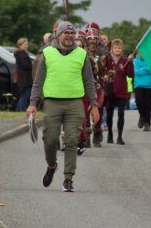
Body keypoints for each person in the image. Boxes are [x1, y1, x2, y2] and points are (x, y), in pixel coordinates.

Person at [27, 21, 99, 192]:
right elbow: (38, 81)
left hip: (75, 103)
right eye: (65, 33)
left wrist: (94, 104)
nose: (69, 36)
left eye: (71, 33)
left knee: (72, 140)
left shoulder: (82, 54)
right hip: (52, 102)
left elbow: (89, 81)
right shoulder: (47, 53)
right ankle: (52, 165)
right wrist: (32, 103)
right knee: (50, 139)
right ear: (58, 35)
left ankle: (68, 177)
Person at [104, 39, 134, 144]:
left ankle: (120, 137)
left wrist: (130, 63)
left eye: (119, 48)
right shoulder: (107, 60)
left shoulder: (125, 61)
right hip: (110, 91)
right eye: (115, 48)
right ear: (112, 49)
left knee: (121, 113)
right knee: (109, 114)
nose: (117, 50)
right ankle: (110, 134)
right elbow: (103, 72)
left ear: (122, 49)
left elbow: (130, 75)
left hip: (121, 91)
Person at [134, 53, 151, 131]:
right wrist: (146, 69)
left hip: (149, 85)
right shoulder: (135, 61)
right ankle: (142, 116)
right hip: (138, 85)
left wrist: (142, 69)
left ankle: (147, 123)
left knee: (147, 104)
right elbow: (136, 72)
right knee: (139, 101)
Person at [14, 38, 33, 112]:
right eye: (25, 45)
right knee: (25, 95)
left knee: (24, 95)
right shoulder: (23, 54)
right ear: (20, 45)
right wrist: (32, 66)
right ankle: (20, 110)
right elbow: (26, 66)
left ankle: (19, 109)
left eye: (27, 44)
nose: (26, 46)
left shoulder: (19, 54)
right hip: (25, 78)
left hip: (22, 78)